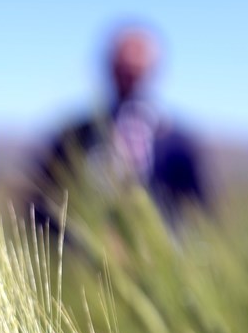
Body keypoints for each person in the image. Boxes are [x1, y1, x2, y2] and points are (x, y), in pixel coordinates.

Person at [29, 25, 210, 233]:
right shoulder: (74, 136)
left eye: (136, 71)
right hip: (83, 255)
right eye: (122, 70)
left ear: (152, 71)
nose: (129, 80)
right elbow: (42, 202)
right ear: (109, 68)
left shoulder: (177, 143)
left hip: (157, 256)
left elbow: (198, 213)